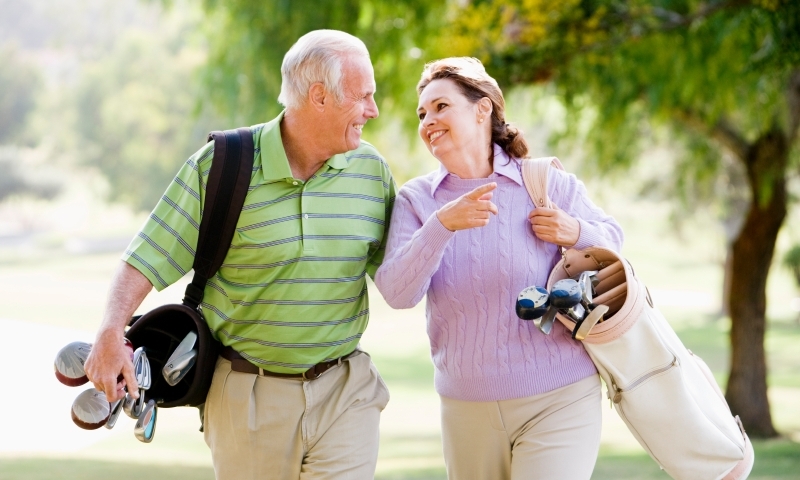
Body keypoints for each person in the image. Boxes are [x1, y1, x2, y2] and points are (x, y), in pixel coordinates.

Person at [84, 30, 395, 479]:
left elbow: (403, 269)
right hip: (249, 396)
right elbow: (146, 255)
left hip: (346, 391)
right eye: (363, 96)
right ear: (321, 97)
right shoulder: (221, 166)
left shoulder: (371, 172)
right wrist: (111, 330)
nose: (373, 110)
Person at [374, 57, 624, 479]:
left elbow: (614, 243)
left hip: (560, 395)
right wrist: (442, 226)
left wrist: (574, 230)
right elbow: (397, 293)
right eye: (422, 113)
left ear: (482, 108)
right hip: (466, 408)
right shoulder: (417, 200)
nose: (428, 121)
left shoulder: (543, 182)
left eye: (440, 107)